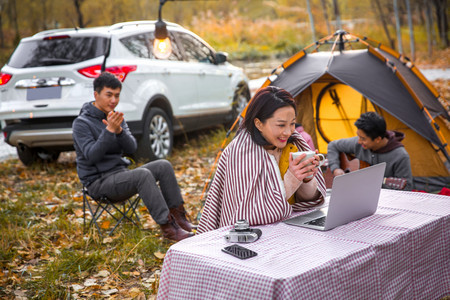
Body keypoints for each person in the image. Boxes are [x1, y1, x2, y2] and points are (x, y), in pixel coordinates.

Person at [72, 72, 194, 242]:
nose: (113, 100)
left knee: (163, 165)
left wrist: (119, 131)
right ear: (96, 95)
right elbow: (92, 156)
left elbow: (132, 148)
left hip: (120, 176)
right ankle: (168, 228)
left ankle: (180, 220)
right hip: (98, 183)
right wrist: (109, 132)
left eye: (117, 95)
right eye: (109, 95)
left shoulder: (115, 118)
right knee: (142, 175)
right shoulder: (81, 123)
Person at [197, 86, 327, 234]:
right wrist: (291, 179)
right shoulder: (242, 153)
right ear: (259, 124)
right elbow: (249, 216)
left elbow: (306, 202)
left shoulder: (292, 146)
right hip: (251, 238)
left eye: (292, 123)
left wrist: (306, 178)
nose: (288, 131)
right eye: (281, 125)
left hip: (288, 229)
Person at [327, 111, 413, 190]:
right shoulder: (359, 143)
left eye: (363, 138)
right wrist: (335, 169)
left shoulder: (401, 156)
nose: (359, 141)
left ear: (378, 139)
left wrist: (380, 184)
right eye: (358, 136)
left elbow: (407, 187)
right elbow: (332, 145)